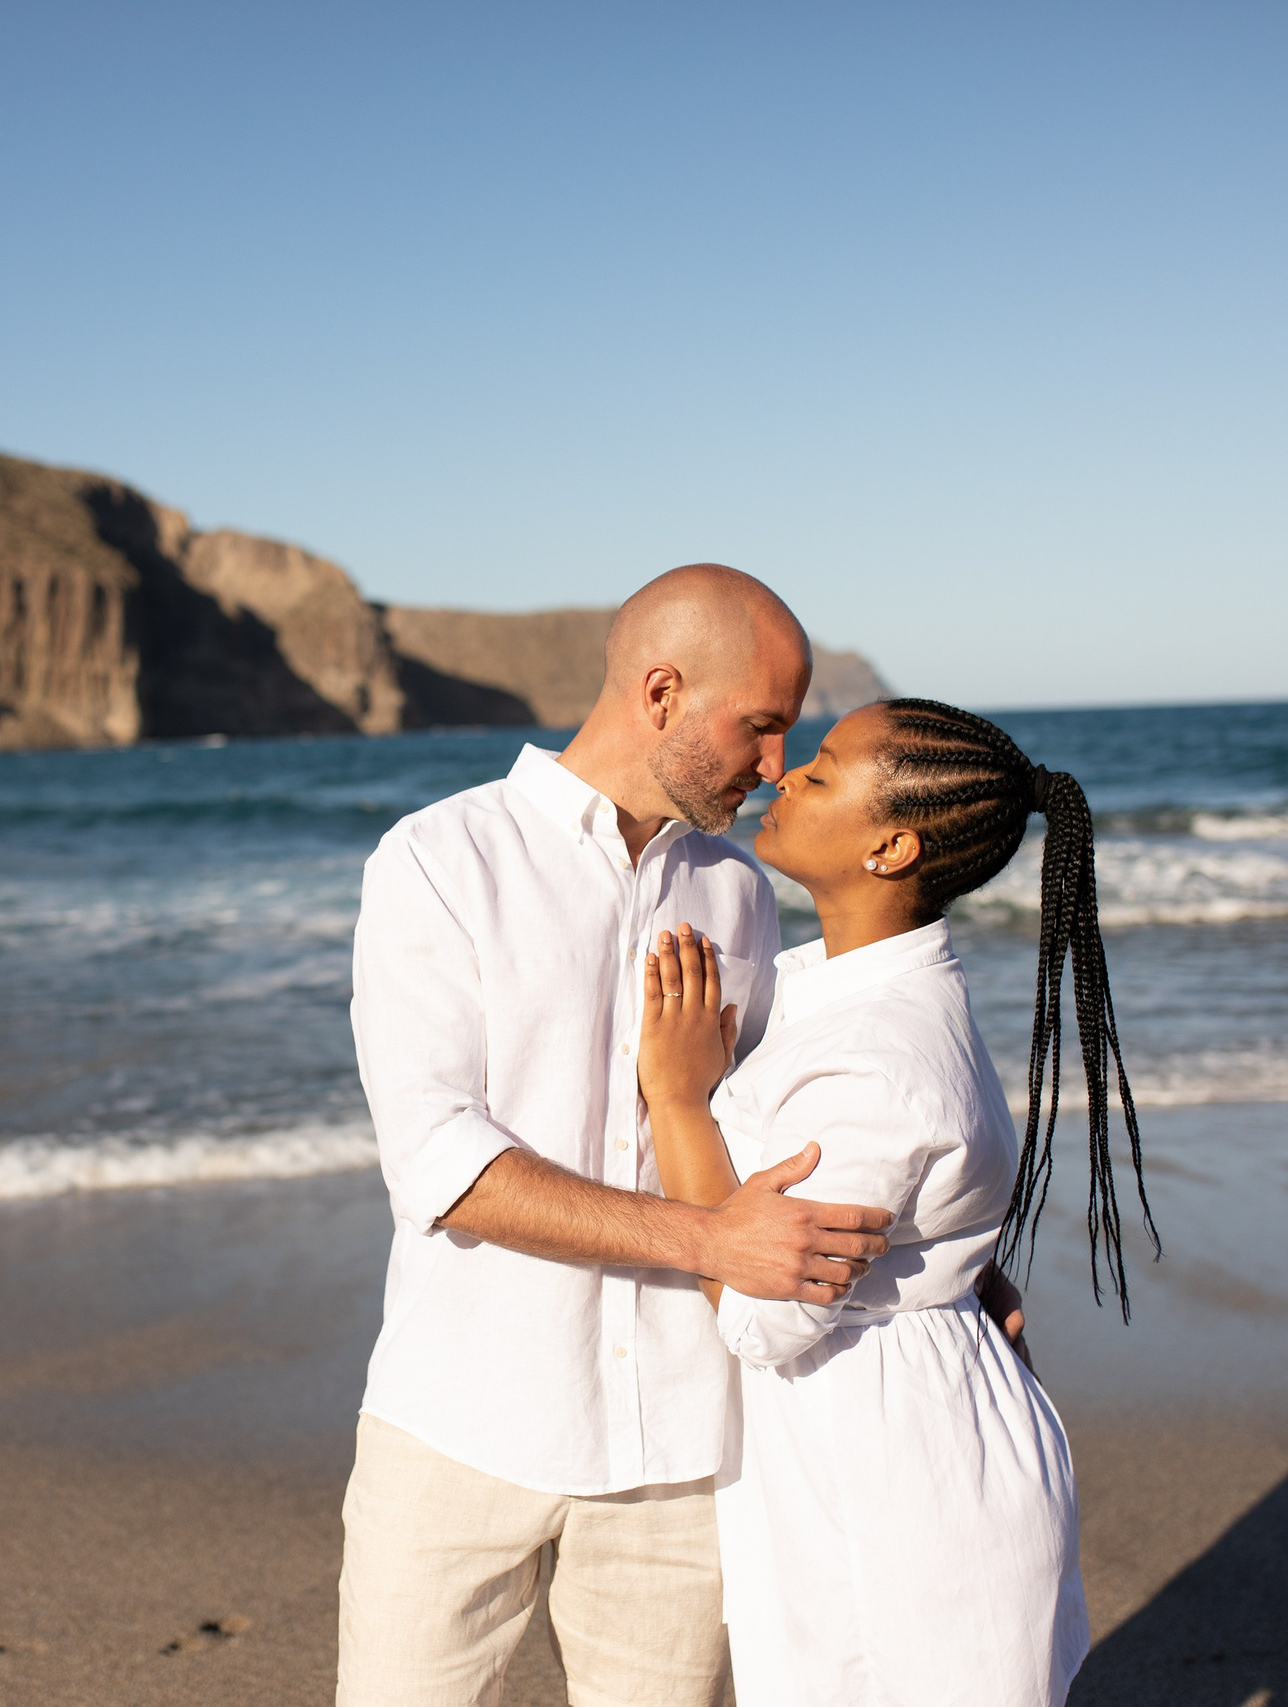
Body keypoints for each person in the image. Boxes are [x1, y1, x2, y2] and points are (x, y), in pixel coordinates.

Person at [339, 566, 1023, 1707]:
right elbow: (437, 1162)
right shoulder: (439, 860)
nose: (773, 766)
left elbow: (806, 1126)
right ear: (660, 692)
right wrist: (709, 1243)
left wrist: (952, 1265)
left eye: (788, 738)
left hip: (684, 1449)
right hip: (457, 1421)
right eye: (759, 727)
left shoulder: (741, 892)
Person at [635, 698, 1155, 1707]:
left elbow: (761, 1314)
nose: (786, 778)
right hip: (898, 1429)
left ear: (893, 845)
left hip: (898, 1477)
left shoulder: (876, 1053)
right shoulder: (845, 996)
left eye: (820, 774)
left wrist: (677, 1099)